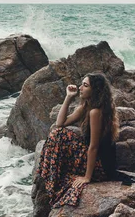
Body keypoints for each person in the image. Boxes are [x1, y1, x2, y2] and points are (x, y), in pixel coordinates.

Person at [37, 72, 119, 208]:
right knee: (58, 133)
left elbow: (94, 146)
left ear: (95, 90)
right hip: (92, 156)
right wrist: (68, 97)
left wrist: (87, 177)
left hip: (101, 165)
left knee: (58, 135)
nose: (80, 88)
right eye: (82, 84)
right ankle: (51, 178)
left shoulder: (96, 112)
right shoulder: (86, 107)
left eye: (85, 85)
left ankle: (51, 180)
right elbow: (60, 123)